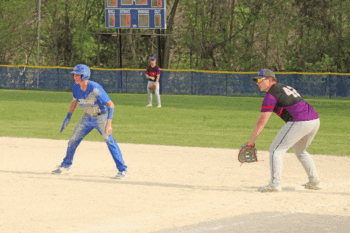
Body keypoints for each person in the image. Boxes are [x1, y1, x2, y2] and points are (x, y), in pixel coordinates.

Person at [247, 69, 321, 192]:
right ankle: (314, 181)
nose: (257, 83)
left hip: (300, 121)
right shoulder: (283, 88)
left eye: (260, 80)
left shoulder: (271, 95)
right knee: (300, 151)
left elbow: (262, 120)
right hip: (314, 120)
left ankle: (275, 184)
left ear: (270, 80)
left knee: (276, 150)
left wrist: (251, 141)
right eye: (257, 80)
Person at [52, 64, 127, 179]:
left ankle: (122, 169)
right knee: (73, 140)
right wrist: (68, 116)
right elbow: (74, 101)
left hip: (101, 116)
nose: (74, 77)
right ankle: (66, 165)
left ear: (84, 76)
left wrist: (109, 124)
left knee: (109, 140)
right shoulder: (76, 87)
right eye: (75, 74)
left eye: (77, 75)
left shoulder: (94, 88)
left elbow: (111, 104)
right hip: (87, 117)